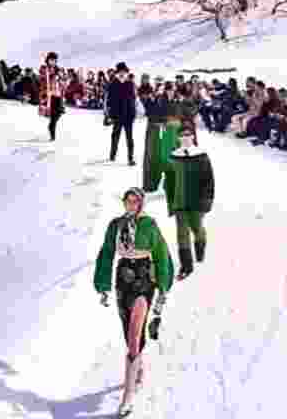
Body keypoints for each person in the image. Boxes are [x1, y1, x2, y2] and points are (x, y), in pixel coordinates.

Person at [93, 188, 174, 418]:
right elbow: (107, 253)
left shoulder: (149, 225)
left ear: (141, 204)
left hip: (144, 277)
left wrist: (163, 287)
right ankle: (137, 367)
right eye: (128, 200)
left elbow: (161, 254)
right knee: (128, 330)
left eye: (135, 201)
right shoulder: (115, 225)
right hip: (123, 277)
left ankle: (127, 398)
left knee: (135, 330)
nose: (131, 204)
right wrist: (102, 285)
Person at [167, 124, 215, 280]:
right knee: (182, 233)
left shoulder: (202, 156)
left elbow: (209, 180)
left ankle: (200, 248)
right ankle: (186, 265)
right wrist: (171, 204)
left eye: (188, 135)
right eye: (182, 135)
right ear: (178, 138)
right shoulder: (173, 156)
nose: (185, 138)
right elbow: (169, 182)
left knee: (197, 227)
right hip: (179, 201)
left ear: (193, 136)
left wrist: (207, 201)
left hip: (197, 201)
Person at [108, 62, 138, 165]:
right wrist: (110, 115)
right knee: (115, 136)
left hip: (128, 116)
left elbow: (133, 100)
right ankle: (112, 155)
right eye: (120, 72)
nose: (122, 74)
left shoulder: (130, 84)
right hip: (117, 116)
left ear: (126, 73)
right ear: (117, 73)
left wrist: (133, 114)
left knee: (129, 138)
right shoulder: (113, 84)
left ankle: (131, 158)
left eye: (124, 72)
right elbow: (110, 101)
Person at [39, 52, 65, 141]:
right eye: (51, 60)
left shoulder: (58, 69)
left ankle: (51, 125)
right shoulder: (44, 69)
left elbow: (63, 80)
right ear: (48, 60)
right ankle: (52, 132)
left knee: (59, 113)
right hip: (50, 95)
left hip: (58, 94)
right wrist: (52, 76)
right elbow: (42, 79)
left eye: (54, 60)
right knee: (53, 114)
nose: (53, 62)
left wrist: (61, 78)